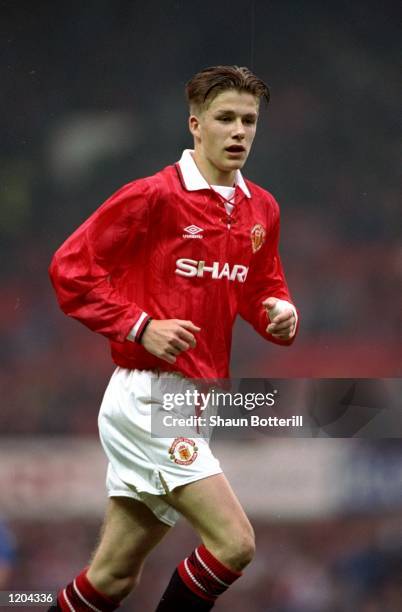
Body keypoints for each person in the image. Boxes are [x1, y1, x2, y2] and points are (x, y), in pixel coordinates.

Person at [49, 65, 298, 611]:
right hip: (151, 398)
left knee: (112, 578)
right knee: (234, 545)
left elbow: (260, 286)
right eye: (225, 118)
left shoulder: (262, 209)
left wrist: (280, 311)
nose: (238, 131)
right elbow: (71, 269)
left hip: (198, 400)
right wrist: (140, 326)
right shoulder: (153, 197)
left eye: (249, 120)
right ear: (195, 125)